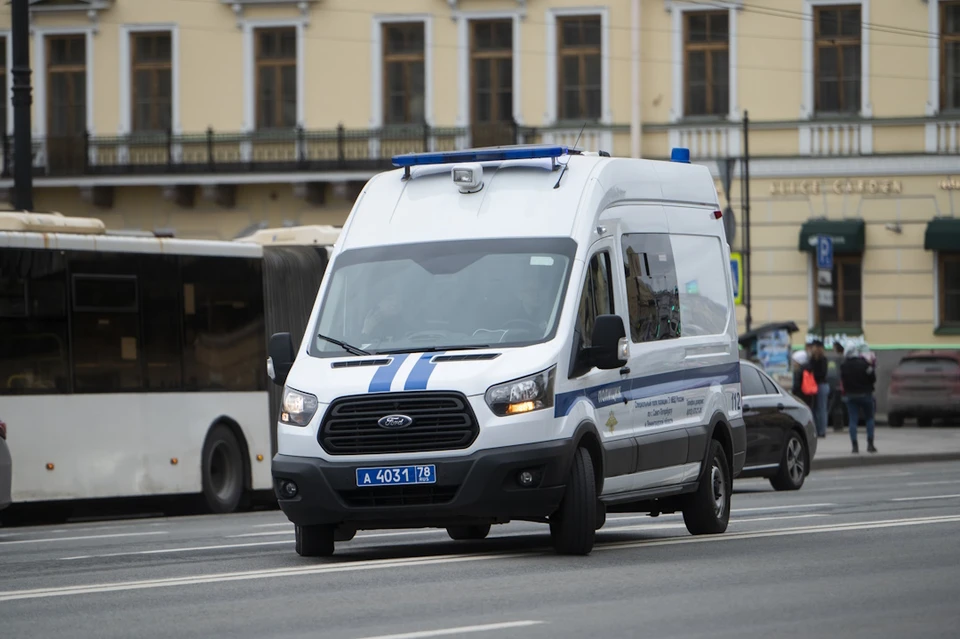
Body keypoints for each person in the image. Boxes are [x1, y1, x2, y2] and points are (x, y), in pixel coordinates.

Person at [840, 346, 878, 453]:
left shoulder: (844, 366)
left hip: (851, 395)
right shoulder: (865, 364)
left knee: (853, 420)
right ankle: (870, 444)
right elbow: (873, 378)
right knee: (869, 418)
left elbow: (843, 380)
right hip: (865, 394)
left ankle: (854, 446)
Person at [809, 340, 830, 438]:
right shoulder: (812, 359)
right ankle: (817, 429)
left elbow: (822, 373)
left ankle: (821, 431)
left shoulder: (822, 359)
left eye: (813, 346)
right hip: (814, 385)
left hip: (821, 385)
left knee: (821, 409)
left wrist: (812, 374)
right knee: (815, 409)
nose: (811, 348)